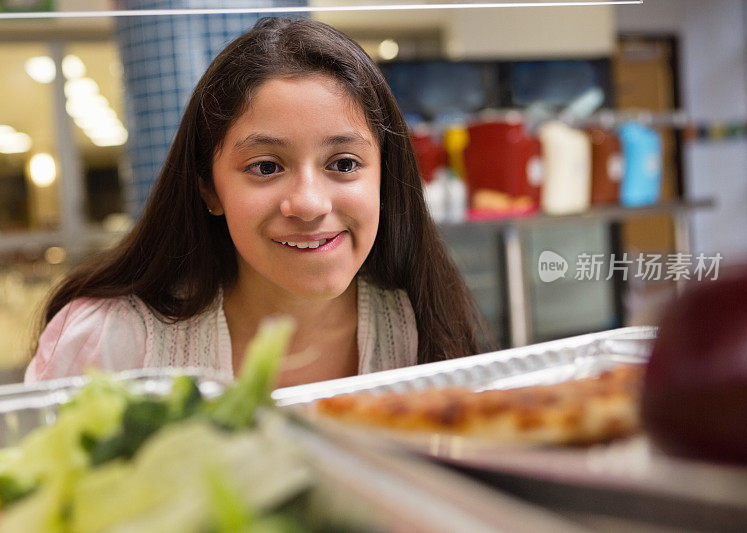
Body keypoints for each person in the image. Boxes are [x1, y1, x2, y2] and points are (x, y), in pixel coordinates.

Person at [25, 17, 490, 387]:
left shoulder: (420, 325)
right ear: (208, 188)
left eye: (344, 164)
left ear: (386, 178)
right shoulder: (108, 343)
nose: (308, 204)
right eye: (266, 166)